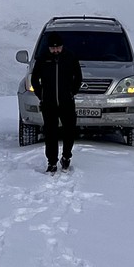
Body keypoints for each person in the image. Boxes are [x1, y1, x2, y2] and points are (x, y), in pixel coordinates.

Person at [30, 32, 83, 173]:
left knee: (69, 131)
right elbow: (34, 79)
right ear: (48, 48)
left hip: (67, 102)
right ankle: (52, 162)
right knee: (51, 133)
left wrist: (72, 92)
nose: (55, 51)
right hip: (49, 103)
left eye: (58, 48)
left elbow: (78, 77)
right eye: (53, 48)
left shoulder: (70, 57)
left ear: (62, 46)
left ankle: (66, 157)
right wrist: (41, 94)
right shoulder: (42, 59)